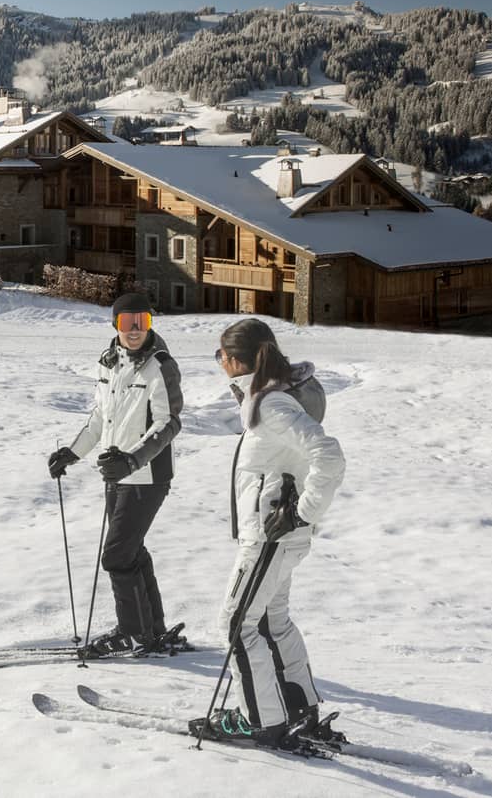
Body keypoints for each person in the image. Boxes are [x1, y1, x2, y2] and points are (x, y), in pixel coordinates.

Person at [194, 318, 345, 749]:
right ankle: (297, 707)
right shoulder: (271, 396)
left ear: (235, 360)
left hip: (270, 537)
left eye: (221, 355)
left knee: (236, 623)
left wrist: (301, 512)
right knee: (270, 620)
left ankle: (259, 720)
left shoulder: (273, 406)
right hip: (277, 536)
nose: (220, 363)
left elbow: (329, 455)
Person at [47, 292, 183, 654]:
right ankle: (151, 629)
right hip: (115, 475)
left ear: (150, 324)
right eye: (127, 322)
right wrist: (72, 453)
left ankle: (132, 632)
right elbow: (100, 417)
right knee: (131, 551)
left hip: (147, 476)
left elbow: (168, 424)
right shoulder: (108, 362)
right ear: (115, 324)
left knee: (117, 555)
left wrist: (132, 461)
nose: (134, 330)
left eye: (142, 322)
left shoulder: (160, 365)